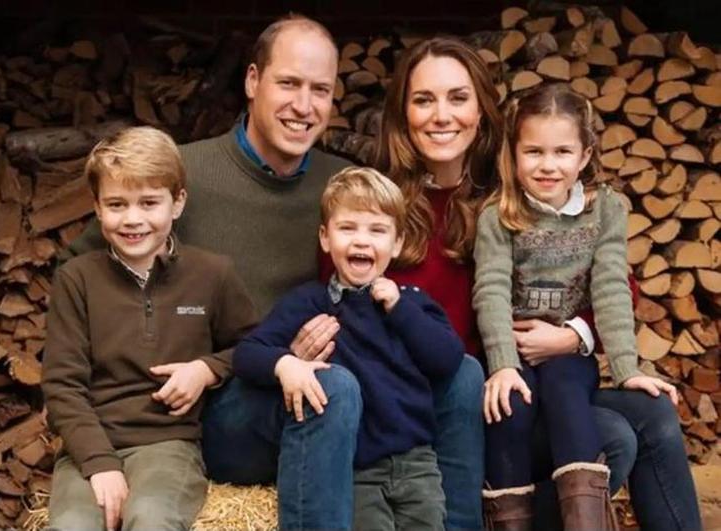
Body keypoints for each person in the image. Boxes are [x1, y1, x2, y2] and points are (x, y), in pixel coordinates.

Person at [67, 15, 484, 531]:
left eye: (321, 90)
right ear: (252, 82)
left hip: (335, 397)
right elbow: (86, 270)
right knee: (334, 387)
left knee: (463, 374)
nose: (304, 106)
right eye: (289, 83)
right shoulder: (183, 177)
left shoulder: (344, 187)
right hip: (230, 406)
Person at [369, 37, 701, 531]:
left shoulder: (514, 188)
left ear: (482, 109)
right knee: (613, 436)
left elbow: (616, 284)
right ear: (403, 111)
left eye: (458, 98)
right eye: (424, 99)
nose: (442, 115)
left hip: (543, 376)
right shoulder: (380, 207)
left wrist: (574, 336)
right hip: (468, 398)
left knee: (653, 413)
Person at [473, 84, 680, 530]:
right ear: (513, 154)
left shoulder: (604, 209)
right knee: (509, 406)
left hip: (569, 353)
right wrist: (503, 365)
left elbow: (610, 287)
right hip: (517, 354)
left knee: (568, 393)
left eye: (562, 151)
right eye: (533, 152)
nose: (548, 165)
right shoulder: (499, 215)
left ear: (585, 155)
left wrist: (627, 369)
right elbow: (489, 288)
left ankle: (585, 522)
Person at [42, 126, 257, 531]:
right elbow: (61, 385)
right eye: (117, 204)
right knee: (71, 524)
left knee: (152, 517)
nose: (133, 219)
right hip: (88, 447)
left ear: (177, 203)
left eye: (149, 202)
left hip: (169, 445)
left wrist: (207, 368)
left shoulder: (213, 274)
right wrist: (99, 464)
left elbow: (252, 345)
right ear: (97, 207)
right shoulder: (76, 279)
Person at [234, 167, 464, 530]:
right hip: (357, 468)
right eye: (348, 228)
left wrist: (400, 310)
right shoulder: (309, 302)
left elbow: (448, 360)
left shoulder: (412, 303)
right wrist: (285, 364)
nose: (361, 241)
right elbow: (247, 353)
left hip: (417, 463)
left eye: (377, 230)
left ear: (398, 243)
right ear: (325, 238)